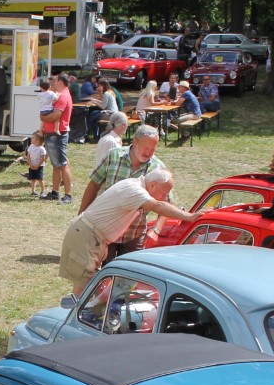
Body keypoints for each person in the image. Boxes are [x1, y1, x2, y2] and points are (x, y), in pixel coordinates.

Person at [60, 168, 194, 295]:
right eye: (164, 193)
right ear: (152, 185)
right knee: (86, 287)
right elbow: (158, 206)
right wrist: (189, 216)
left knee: (88, 286)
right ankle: (76, 315)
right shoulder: (134, 190)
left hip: (93, 236)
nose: (164, 198)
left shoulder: (134, 185)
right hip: (87, 235)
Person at [80, 124, 167, 259]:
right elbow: (93, 185)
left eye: (153, 149)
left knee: (128, 277)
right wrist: (81, 215)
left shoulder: (158, 168)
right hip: (105, 230)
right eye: (146, 148)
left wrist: (156, 230)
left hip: (134, 234)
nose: (148, 153)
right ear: (135, 141)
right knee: (100, 274)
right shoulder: (113, 156)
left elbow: (166, 203)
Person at [44, 73, 75, 203]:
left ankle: (68, 195)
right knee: (56, 165)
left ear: (61, 82)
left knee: (62, 164)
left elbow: (56, 115)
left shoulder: (62, 97)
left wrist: (42, 118)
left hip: (58, 134)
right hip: (55, 134)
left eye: (55, 81)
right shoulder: (62, 95)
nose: (53, 83)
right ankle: (55, 192)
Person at [13, 130, 48, 198]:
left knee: (40, 179)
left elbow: (43, 158)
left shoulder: (42, 149)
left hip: (39, 166)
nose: (31, 139)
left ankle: (42, 191)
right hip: (32, 166)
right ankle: (33, 191)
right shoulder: (31, 146)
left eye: (32, 138)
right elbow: (28, 155)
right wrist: (30, 164)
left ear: (37, 140)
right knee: (33, 179)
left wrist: (37, 165)